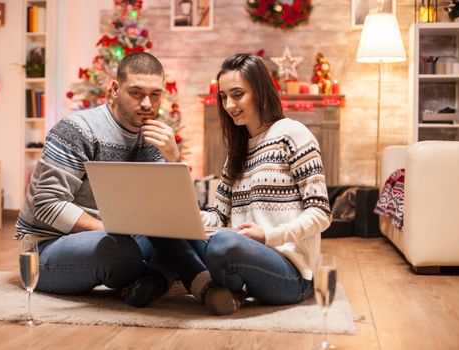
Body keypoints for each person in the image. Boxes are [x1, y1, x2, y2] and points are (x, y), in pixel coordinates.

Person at [134, 53, 331, 315]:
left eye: (237, 94)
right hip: (236, 257)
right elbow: (218, 215)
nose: (229, 105)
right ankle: (208, 286)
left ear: (260, 92)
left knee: (224, 245)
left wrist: (267, 236)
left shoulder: (292, 134)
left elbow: (321, 213)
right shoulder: (236, 152)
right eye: (224, 97)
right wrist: (182, 219)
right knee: (161, 225)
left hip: (290, 274)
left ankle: (175, 277)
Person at [15, 52, 180, 299]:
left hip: (117, 236)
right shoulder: (78, 128)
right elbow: (46, 205)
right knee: (119, 252)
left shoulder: (155, 136)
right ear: (115, 89)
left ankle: (149, 280)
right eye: (136, 93)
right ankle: (158, 276)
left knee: (184, 234)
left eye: (155, 95)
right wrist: (110, 229)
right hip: (48, 248)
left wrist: (174, 159)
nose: (147, 104)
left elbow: (165, 207)